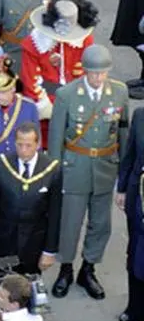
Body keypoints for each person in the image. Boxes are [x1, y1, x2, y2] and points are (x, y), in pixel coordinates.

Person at [49, 42, 128, 299]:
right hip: (75, 167)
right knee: (70, 223)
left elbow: (123, 132)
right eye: (94, 73)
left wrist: (124, 175)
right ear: (85, 71)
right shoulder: (67, 94)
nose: (98, 78)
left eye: (103, 72)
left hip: (105, 167)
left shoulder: (119, 92)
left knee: (100, 224)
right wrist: (55, 173)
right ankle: (66, 269)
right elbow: (56, 137)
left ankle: (89, 268)